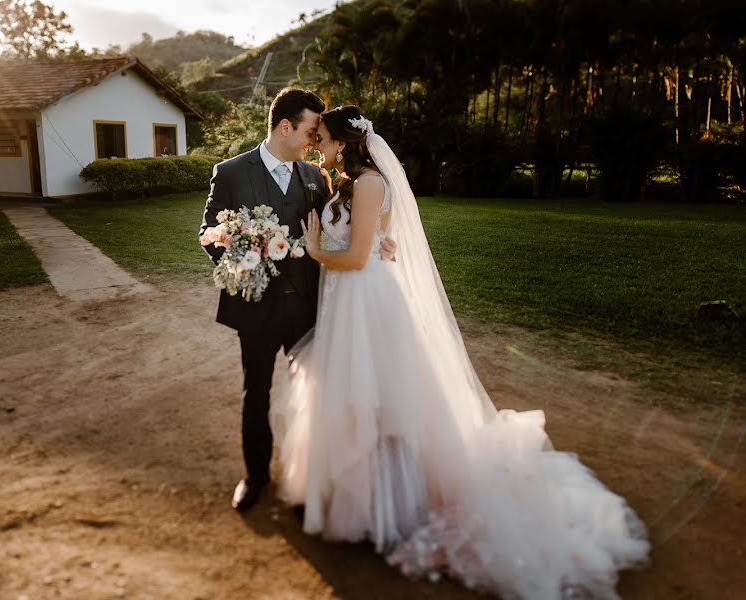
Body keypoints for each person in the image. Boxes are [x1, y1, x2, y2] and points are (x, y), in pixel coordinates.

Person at [269, 105, 650, 599]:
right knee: (349, 395)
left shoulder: (369, 184)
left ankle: (390, 504)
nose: (315, 142)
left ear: (344, 141)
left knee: (380, 398)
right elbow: (376, 243)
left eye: (321, 136)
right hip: (347, 302)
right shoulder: (347, 182)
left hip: (367, 304)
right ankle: (353, 495)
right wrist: (365, 242)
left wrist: (318, 249)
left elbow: (358, 255)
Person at [199, 89, 396, 511]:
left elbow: (345, 222)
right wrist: (246, 259)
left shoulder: (314, 176)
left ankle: (308, 478)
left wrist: (382, 239)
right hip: (255, 305)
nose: (313, 139)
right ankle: (255, 477)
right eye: (310, 130)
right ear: (285, 126)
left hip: (310, 305)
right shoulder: (231, 172)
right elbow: (209, 233)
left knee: (315, 394)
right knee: (257, 392)